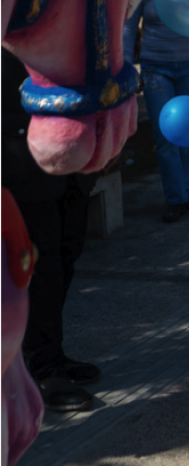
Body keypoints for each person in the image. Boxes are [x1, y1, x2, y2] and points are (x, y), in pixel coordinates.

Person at [2, 49, 100, 411]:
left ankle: (49, 354)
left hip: (71, 147)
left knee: (67, 251)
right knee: (41, 269)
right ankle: (40, 369)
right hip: (20, 150)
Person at [123, 0, 189, 222]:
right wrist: (127, 68)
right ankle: (175, 198)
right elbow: (128, 30)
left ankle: (184, 192)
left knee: (187, 132)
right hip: (156, 70)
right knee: (166, 136)